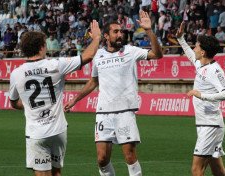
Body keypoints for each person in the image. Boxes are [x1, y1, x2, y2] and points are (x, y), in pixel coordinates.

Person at [64, 10, 163, 176]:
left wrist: (149, 31)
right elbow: (93, 82)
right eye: (115, 32)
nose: (120, 35)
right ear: (106, 36)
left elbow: (157, 55)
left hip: (125, 111)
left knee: (130, 157)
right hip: (103, 113)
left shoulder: (131, 51)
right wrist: (75, 100)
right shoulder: (98, 56)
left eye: (121, 32)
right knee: (102, 160)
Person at [9, 20, 101, 176]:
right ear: (41, 47)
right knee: (57, 173)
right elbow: (89, 55)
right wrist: (97, 38)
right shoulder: (56, 65)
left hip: (36, 133)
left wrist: (28, 105)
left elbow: (13, 102)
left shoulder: (16, 73)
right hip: (58, 131)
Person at [176, 21, 225, 176]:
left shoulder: (214, 70)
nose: (194, 48)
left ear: (203, 52)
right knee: (218, 170)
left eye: (197, 46)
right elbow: (190, 55)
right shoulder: (202, 65)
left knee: (196, 170)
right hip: (207, 124)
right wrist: (181, 39)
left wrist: (201, 95)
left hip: (211, 126)